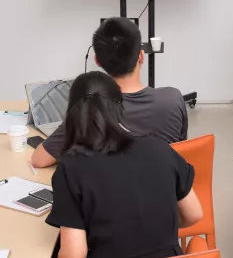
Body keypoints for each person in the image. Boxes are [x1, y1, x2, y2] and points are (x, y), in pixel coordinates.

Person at [45, 71, 203, 258]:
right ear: (120, 106)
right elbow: (194, 214)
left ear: (72, 114)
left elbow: (74, 257)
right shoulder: (161, 148)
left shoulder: (71, 168)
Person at [32, 17, 187, 168]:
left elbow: (39, 160)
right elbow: (182, 154)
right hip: (165, 184)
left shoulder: (88, 109)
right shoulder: (173, 99)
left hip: (109, 185)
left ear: (97, 61)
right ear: (141, 56)